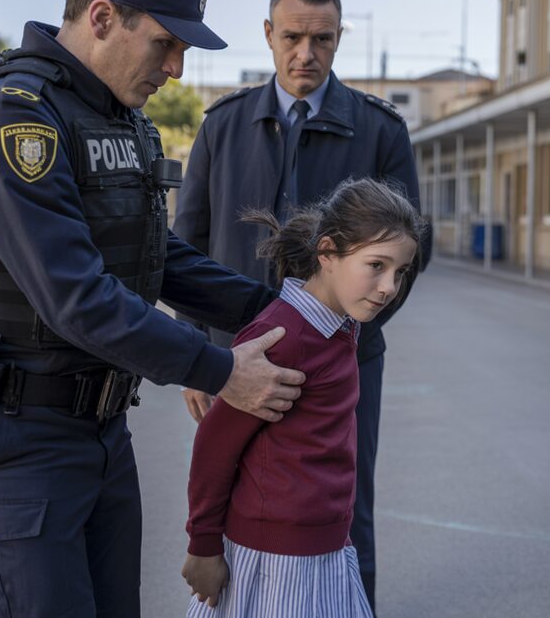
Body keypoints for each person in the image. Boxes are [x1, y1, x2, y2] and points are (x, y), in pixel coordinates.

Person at [0, 0, 305, 618]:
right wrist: (220, 368)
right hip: (22, 441)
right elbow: (76, 295)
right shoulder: (13, 115)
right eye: (166, 43)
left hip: (104, 433)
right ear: (101, 18)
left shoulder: (123, 121)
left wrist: (285, 308)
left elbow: (155, 254)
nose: (176, 67)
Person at [174, 0, 426, 611]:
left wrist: (347, 336)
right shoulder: (222, 126)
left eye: (322, 39)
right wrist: (200, 358)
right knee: (235, 490)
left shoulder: (380, 131)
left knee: (342, 507)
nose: (305, 53)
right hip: (235, 358)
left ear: (340, 38)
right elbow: (186, 242)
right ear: (267, 34)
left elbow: (412, 254)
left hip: (349, 360)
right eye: (291, 37)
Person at [181, 178, 424, 618]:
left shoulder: (341, 328)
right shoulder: (282, 336)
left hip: (327, 551)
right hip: (277, 564)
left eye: (400, 271)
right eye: (376, 265)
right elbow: (215, 446)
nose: (389, 286)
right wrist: (203, 546)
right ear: (327, 252)